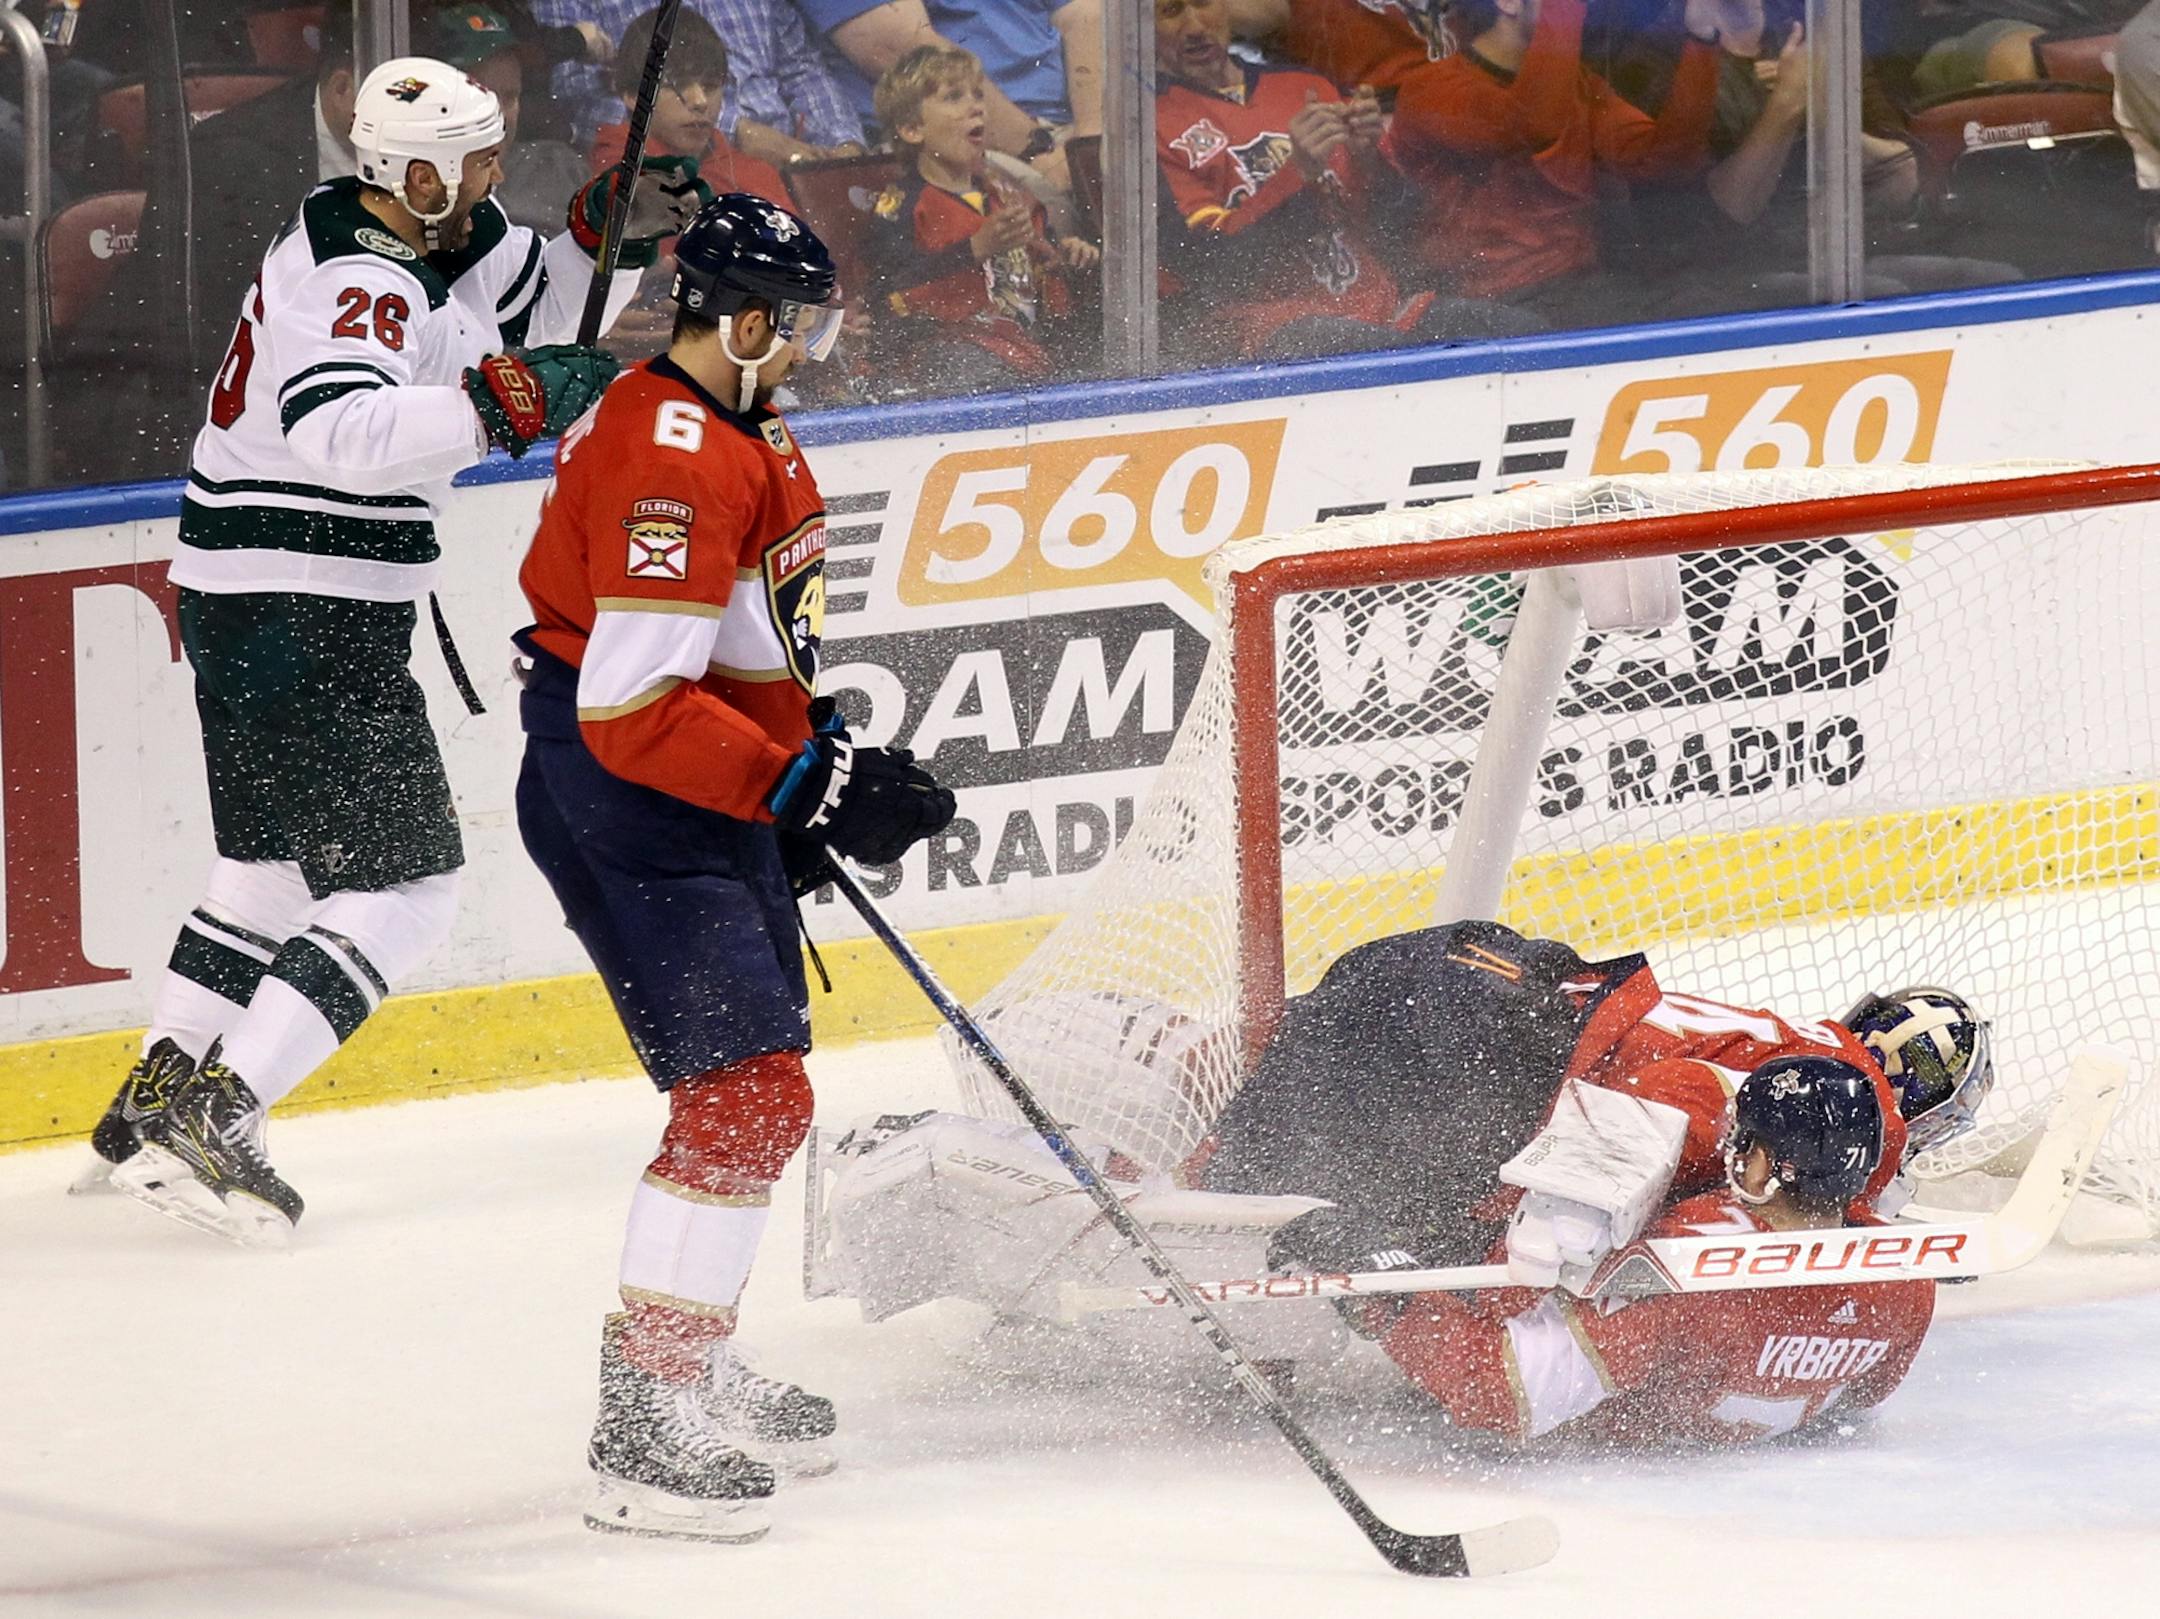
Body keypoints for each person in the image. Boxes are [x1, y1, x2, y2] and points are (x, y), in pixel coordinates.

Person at [83, 55, 691, 1243]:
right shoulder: (361, 274)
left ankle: (163, 1082)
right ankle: (228, 1104)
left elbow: (536, 307)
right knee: (409, 886)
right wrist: (501, 403)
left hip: (244, 592)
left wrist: (605, 237)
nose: (493, 173)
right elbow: (340, 426)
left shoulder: (412, 228)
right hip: (312, 603)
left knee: (264, 866)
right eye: (475, 160)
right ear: (413, 171)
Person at [511, 192, 957, 1541]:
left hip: (696, 786)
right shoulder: (674, 457)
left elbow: (737, 636)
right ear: (746, 316)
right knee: (745, 1095)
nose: (814, 343)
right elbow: (633, 707)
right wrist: (798, 783)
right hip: (637, 793)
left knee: (754, 1092)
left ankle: (686, 1358)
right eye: (801, 320)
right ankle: (647, 1413)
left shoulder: (735, 415)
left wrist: (803, 749)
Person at [1201, 918, 1993, 1270]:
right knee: (1417, 1217)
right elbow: (1665, 1099)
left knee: (1226, 1184)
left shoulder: (1788, 1040)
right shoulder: (1848, 1107)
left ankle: (1166, 1159)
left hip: (1474, 969)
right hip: (1497, 1056)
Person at [1281, 1052, 1940, 1447]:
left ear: (1772, 1164)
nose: (1731, 1149)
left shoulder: (1686, 1266)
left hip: (1570, 1425)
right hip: (1703, 1456)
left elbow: (1500, 1393)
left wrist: (1389, 1304)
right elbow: (1863, 1392)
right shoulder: (1910, 1280)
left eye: (1748, 1140)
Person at [1153, 0, 1543, 367]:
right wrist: (1298, 172)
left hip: (1379, 304)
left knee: (1526, 337)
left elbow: (1399, 227)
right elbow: (1210, 267)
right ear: (1142, 26)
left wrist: (1369, 155)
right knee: (1400, 368)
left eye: (1204, 2)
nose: (1194, 26)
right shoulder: (1148, 127)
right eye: (1170, 10)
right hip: (1264, 327)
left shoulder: (1304, 84)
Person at [1379, 0, 1734, 327]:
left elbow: (1665, 161)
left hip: (1579, 291)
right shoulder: (1430, 89)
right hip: (1490, 304)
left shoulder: (1575, 84)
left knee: (1714, 303)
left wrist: (1701, 40)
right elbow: (1530, 127)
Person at [864, 44, 1099, 392]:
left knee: (1102, 345)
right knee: (967, 364)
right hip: (944, 352)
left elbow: (1040, 265)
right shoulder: (898, 206)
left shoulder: (1009, 193)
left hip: (1027, 346)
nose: (975, 106)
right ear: (913, 129)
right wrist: (974, 248)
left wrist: (1066, 254)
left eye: (977, 95)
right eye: (953, 97)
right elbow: (887, 290)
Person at [531, 0, 867, 163]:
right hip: (675, 167)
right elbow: (575, 97)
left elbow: (801, 68)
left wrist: (845, 146)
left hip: (800, 160)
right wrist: (730, 131)